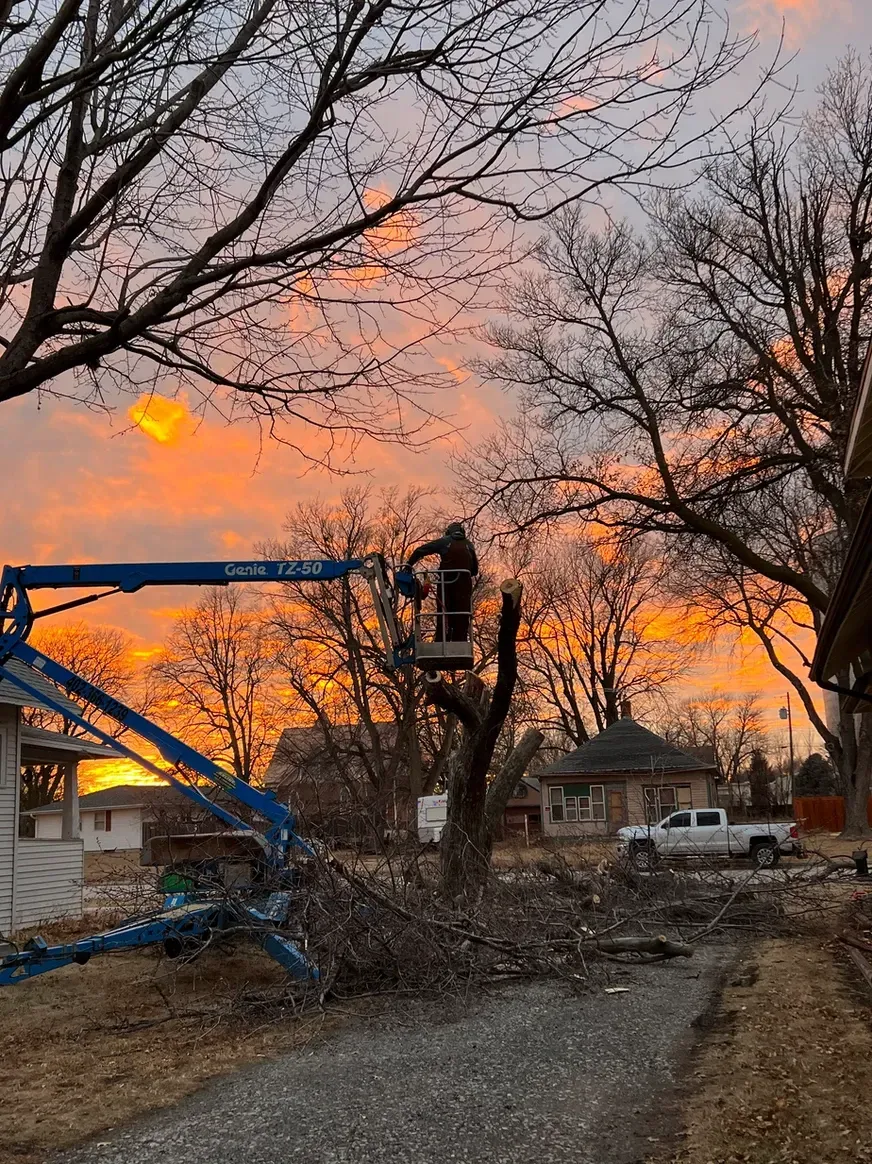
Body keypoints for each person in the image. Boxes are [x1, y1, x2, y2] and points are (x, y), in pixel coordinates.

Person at [405, 523, 478, 642]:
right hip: (464, 588)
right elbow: (474, 570)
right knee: (462, 617)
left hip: (446, 586)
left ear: (448, 532)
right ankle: (460, 643)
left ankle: (441, 640)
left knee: (444, 616)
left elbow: (421, 550)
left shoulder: (445, 542)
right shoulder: (469, 545)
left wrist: (409, 565)